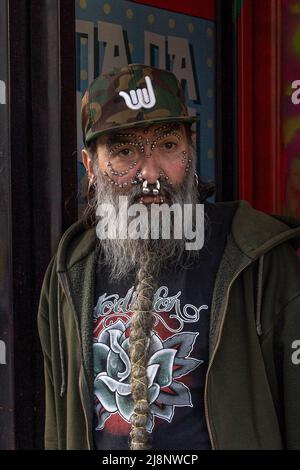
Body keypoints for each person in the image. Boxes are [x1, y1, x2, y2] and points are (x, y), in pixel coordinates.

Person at [38, 64, 300, 450]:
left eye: (167, 145)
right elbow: (59, 428)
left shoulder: (256, 257)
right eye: (124, 151)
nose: (150, 173)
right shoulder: (70, 271)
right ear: (90, 165)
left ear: (189, 149)